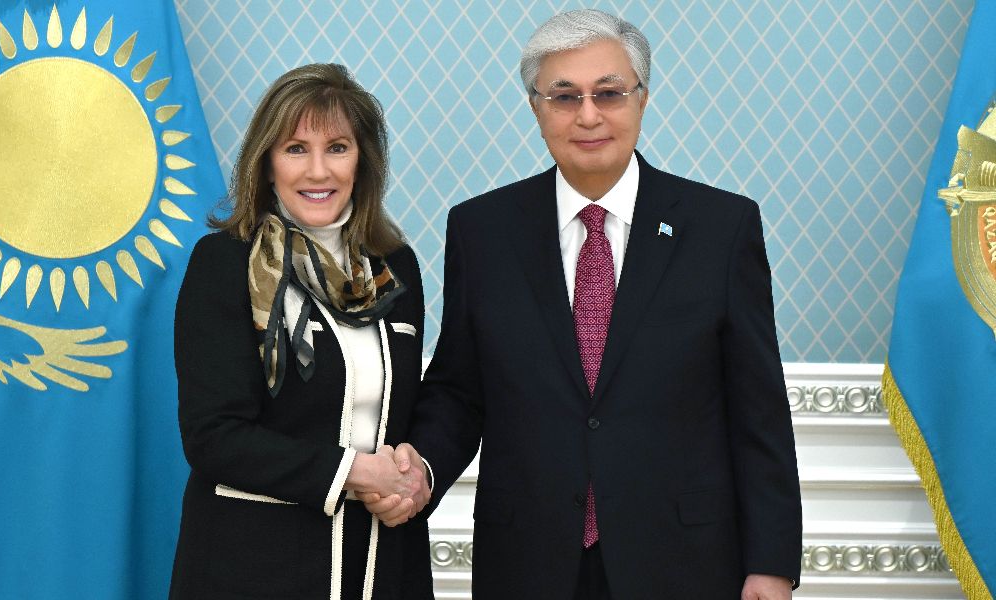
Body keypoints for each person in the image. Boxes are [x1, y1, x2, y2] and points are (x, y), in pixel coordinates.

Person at [362, 9, 802, 600]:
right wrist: (421, 470)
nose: (588, 115)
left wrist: (771, 563)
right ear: (536, 108)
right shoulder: (482, 231)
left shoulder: (721, 228)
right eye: (565, 96)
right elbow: (461, 391)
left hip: (683, 561)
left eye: (609, 93)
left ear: (642, 99)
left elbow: (758, 410)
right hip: (528, 560)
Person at [169, 63, 434, 600]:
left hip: (383, 566)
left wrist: (415, 470)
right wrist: (353, 472)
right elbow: (213, 436)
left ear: (362, 161)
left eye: (337, 148)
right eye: (295, 149)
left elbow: (412, 411)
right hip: (253, 570)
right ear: (267, 164)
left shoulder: (394, 267)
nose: (318, 171)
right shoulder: (224, 264)